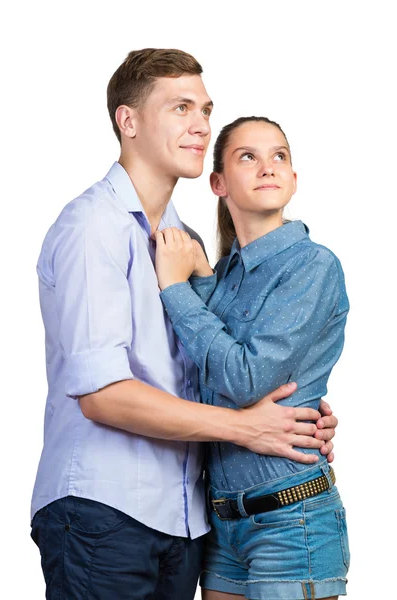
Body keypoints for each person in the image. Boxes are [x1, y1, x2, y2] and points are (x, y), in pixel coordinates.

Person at [30, 50, 338, 600]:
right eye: (180, 108)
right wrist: (248, 428)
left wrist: (302, 413)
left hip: (188, 521)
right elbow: (103, 396)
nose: (200, 124)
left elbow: (227, 367)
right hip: (104, 510)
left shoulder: (186, 244)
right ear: (128, 122)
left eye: (204, 108)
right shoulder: (91, 228)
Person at [156, 116, 350, 600]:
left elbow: (245, 380)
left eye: (279, 156)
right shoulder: (224, 275)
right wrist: (202, 282)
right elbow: (201, 376)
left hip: (292, 520)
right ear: (218, 182)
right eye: (249, 156)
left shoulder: (313, 264)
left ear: (294, 178)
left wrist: (176, 289)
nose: (268, 167)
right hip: (223, 524)